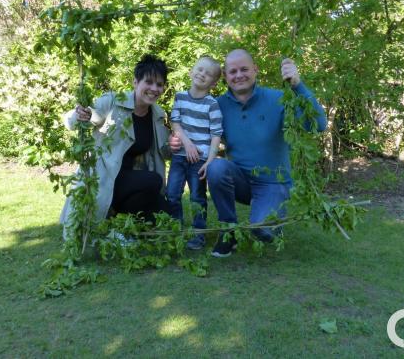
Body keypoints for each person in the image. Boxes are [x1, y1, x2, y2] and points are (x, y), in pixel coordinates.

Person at [170, 49, 327, 257]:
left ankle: (269, 220)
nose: (238, 75)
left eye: (244, 69)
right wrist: (174, 143)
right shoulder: (217, 106)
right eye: (232, 71)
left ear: (255, 70)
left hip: (273, 183)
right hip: (239, 182)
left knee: (261, 229)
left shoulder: (278, 99)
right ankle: (229, 232)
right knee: (216, 166)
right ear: (225, 76)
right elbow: (192, 130)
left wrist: (297, 85)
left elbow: (317, 125)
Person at [59, 54, 175, 237]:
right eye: (149, 82)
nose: (154, 89)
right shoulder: (114, 101)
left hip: (130, 178)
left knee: (167, 212)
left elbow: (165, 151)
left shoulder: (157, 115)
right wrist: (81, 115)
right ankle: (109, 221)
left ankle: (117, 223)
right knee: (153, 180)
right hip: (104, 177)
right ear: (136, 82)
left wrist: (175, 145)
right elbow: (82, 118)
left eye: (159, 84)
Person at [167, 55, 223, 250]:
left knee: (198, 197)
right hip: (180, 156)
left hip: (199, 160)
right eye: (199, 69)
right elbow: (175, 122)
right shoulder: (180, 97)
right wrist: (187, 143)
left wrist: (210, 160)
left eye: (208, 74)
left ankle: (198, 234)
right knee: (172, 194)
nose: (202, 74)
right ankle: (175, 230)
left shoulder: (212, 104)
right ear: (191, 71)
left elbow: (216, 134)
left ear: (213, 83)